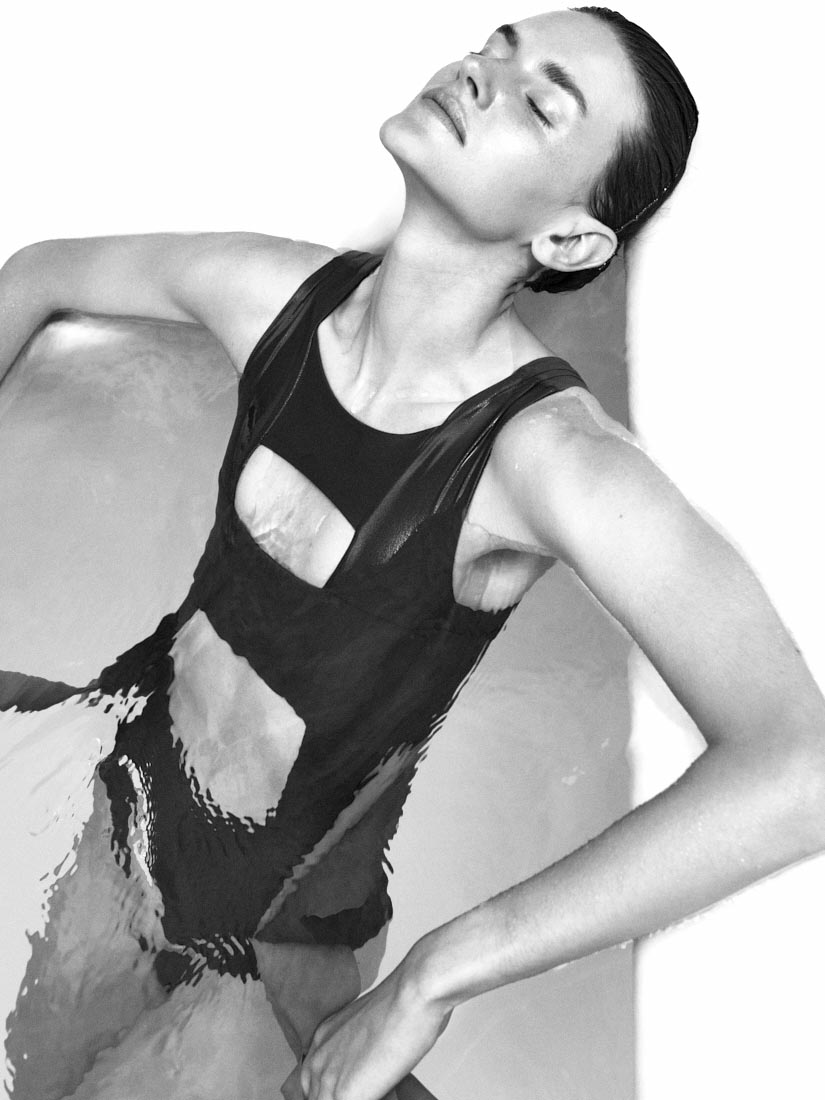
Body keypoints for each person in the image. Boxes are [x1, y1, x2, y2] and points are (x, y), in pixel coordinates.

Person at [1, 7, 824, 1100]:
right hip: (128, 816)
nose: (481, 72)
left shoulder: (545, 459)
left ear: (569, 241)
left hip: (274, 952)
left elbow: (797, 766)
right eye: (496, 46)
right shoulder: (274, 297)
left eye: (540, 102)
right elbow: (35, 272)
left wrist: (437, 972)